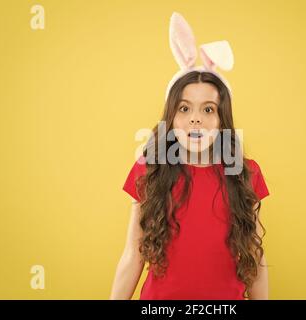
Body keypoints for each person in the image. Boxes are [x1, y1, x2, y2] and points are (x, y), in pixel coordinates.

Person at [110, 12, 270, 300]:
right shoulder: (149, 170)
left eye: (208, 109)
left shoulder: (247, 173)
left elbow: (255, 260)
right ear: (171, 117)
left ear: (223, 119)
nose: (196, 119)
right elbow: (132, 257)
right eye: (185, 109)